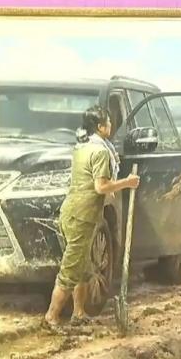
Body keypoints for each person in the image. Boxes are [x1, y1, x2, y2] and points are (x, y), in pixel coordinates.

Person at [43, 105, 140, 329]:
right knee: (71, 268)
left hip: (74, 212)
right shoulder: (101, 152)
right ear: (100, 127)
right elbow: (101, 186)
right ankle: (51, 317)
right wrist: (127, 182)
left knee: (84, 267)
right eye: (108, 122)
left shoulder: (82, 147)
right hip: (82, 215)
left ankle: (79, 312)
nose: (111, 125)